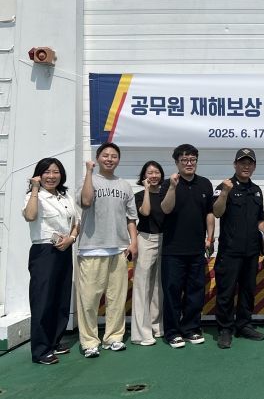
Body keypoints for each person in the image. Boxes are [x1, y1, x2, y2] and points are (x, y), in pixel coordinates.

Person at [77, 142, 138, 358]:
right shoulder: (89, 180)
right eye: (105, 155)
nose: (109, 159)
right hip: (91, 249)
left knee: (117, 299)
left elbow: (131, 218)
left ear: (118, 160)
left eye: (114, 156)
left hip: (118, 250)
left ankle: (113, 337)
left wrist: (133, 242)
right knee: (89, 300)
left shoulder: (125, 185)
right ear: (98, 158)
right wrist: (88, 172)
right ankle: (89, 342)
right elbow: (86, 201)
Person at [22, 158, 80, 365]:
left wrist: (71, 239)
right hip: (44, 251)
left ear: (61, 175)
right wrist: (35, 189)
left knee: (61, 298)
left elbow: (76, 222)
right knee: (43, 300)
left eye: (55, 172)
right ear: (39, 175)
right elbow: (30, 216)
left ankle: (54, 341)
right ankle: (40, 350)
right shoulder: (34, 196)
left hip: (64, 248)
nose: (51, 176)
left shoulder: (65, 196)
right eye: (46, 172)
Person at [160, 144, 215, 349]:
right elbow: (165, 209)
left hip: (197, 249)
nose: (189, 163)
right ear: (177, 162)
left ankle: (191, 328)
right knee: (172, 292)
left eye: (192, 159)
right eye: (184, 160)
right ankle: (172, 332)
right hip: (173, 249)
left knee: (195, 292)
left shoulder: (205, 184)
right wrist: (173, 187)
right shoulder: (169, 183)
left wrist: (210, 237)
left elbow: (209, 213)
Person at [213, 148, 264, 349]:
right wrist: (225, 193)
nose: (246, 166)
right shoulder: (224, 186)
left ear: (254, 166)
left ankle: (244, 324)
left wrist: (263, 245)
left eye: (249, 163)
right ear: (235, 164)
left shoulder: (257, 190)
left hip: (251, 252)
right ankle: (225, 329)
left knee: (247, 290)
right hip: (230, 251)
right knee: (226, 291)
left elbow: (260, 219)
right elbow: (217, 212)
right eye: (242, 162)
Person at [131, 161, 165, 346]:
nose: (153, 176)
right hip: (145, 239)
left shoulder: (166, 193)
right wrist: (146, 190)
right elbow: (145, 212)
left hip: (164, 240)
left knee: (159, 286)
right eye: (149, 173)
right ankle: (141, 333)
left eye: (156, 172)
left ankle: (157, 326)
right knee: (142, 286)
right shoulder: (138, 195)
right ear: (144, 176)